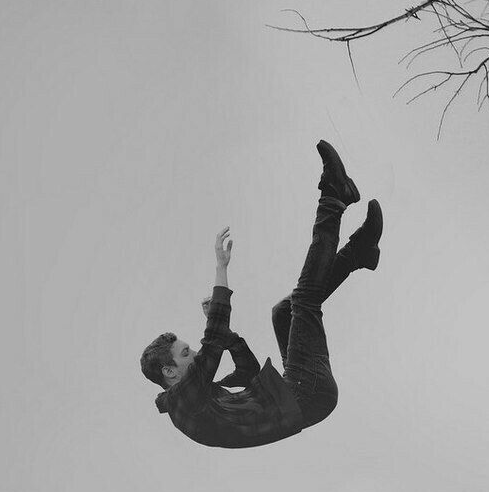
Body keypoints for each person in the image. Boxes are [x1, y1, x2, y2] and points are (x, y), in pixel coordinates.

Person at [140, 140, 383, 448]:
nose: (196, 354)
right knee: (305, 299)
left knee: (283, 311)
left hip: (297, 391)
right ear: (169, 372)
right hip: (306, 395)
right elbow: (211, 342)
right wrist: (221, 269)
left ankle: (358, 254)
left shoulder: (203, 400)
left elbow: (249, 372)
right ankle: (334, 196)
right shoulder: (184, 404)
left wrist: (230, 338)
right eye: (186, 354)